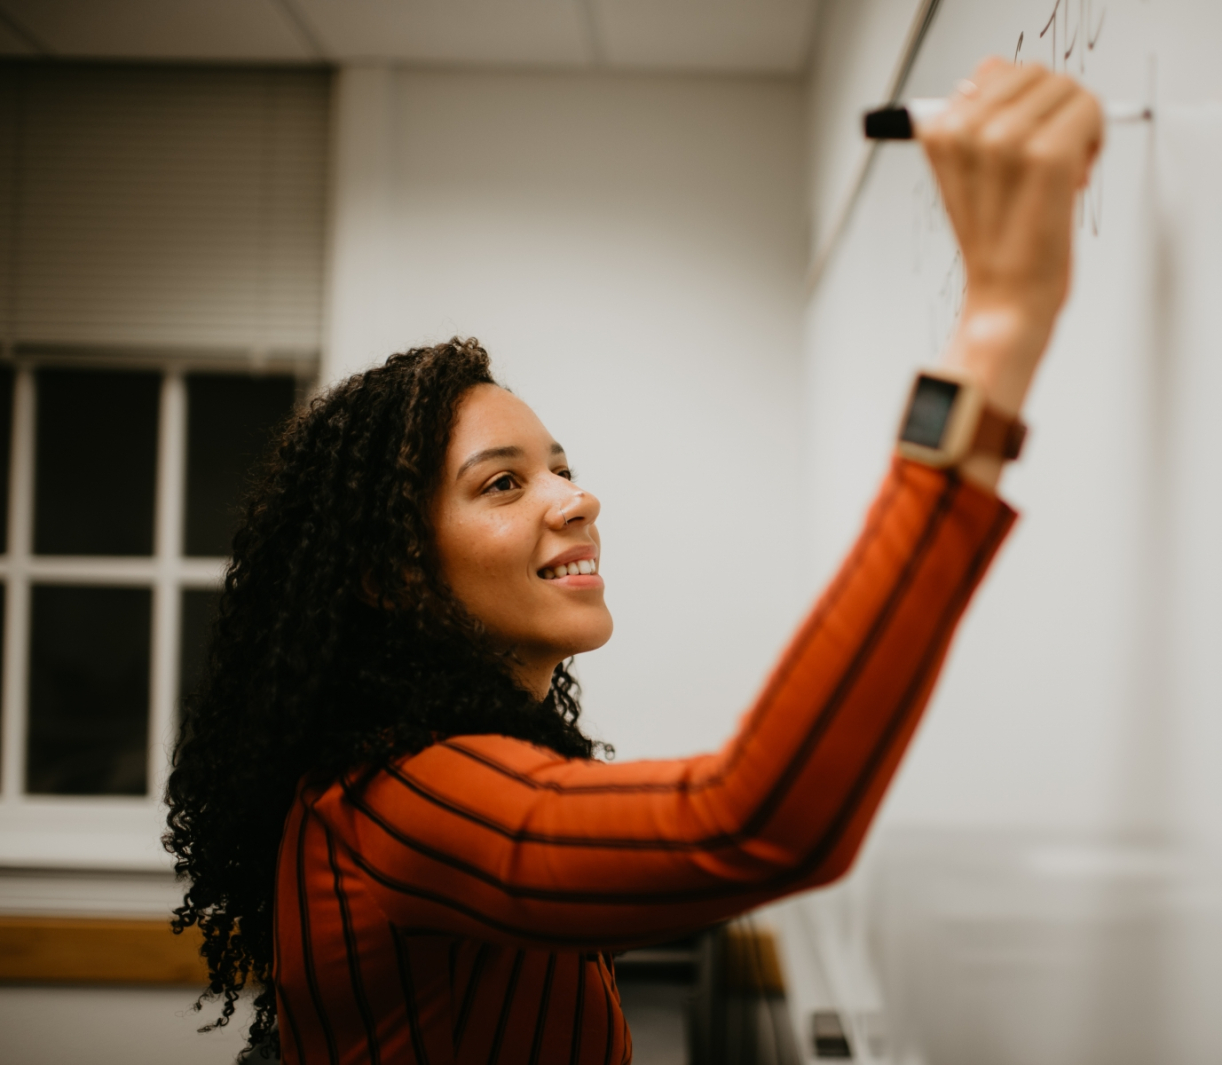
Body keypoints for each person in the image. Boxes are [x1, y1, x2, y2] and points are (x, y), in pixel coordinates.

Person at [165, 58, 1104, 1065]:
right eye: (503, 483)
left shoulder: (433, 766)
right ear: (389, 576)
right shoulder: (397, 799)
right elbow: (750, 825)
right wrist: (997, 323)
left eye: (560, 468)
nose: (578, 498)